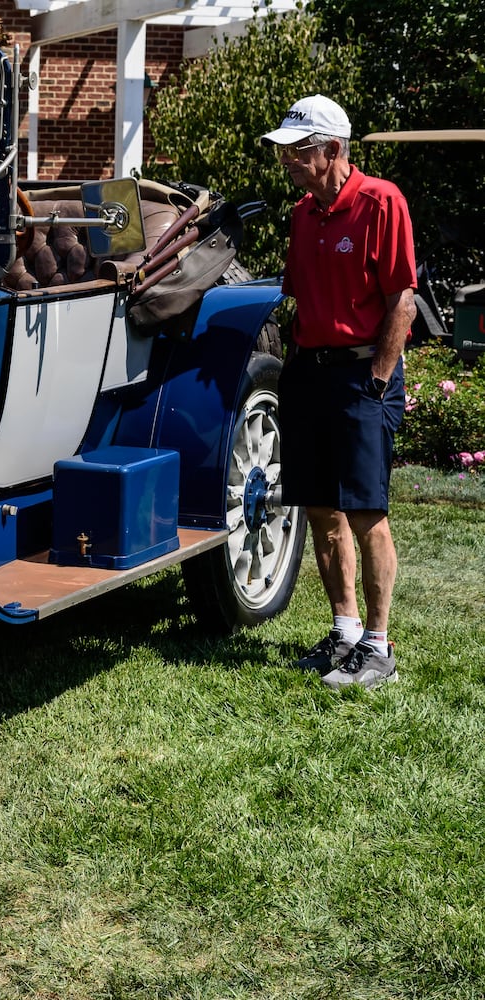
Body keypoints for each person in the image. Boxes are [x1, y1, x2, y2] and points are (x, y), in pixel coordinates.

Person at [262, 95, 417, 690]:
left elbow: (402, 298)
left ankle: (380, 646)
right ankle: (346, 632)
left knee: (365, 511)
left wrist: (378, 379)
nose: (287, 160)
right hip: (311, 374)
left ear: (332, 150)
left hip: (362, 377)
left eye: (298, 151)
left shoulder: (382, 202)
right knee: (322, 509)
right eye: (285, 151)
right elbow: (295, 292)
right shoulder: (303, 214)